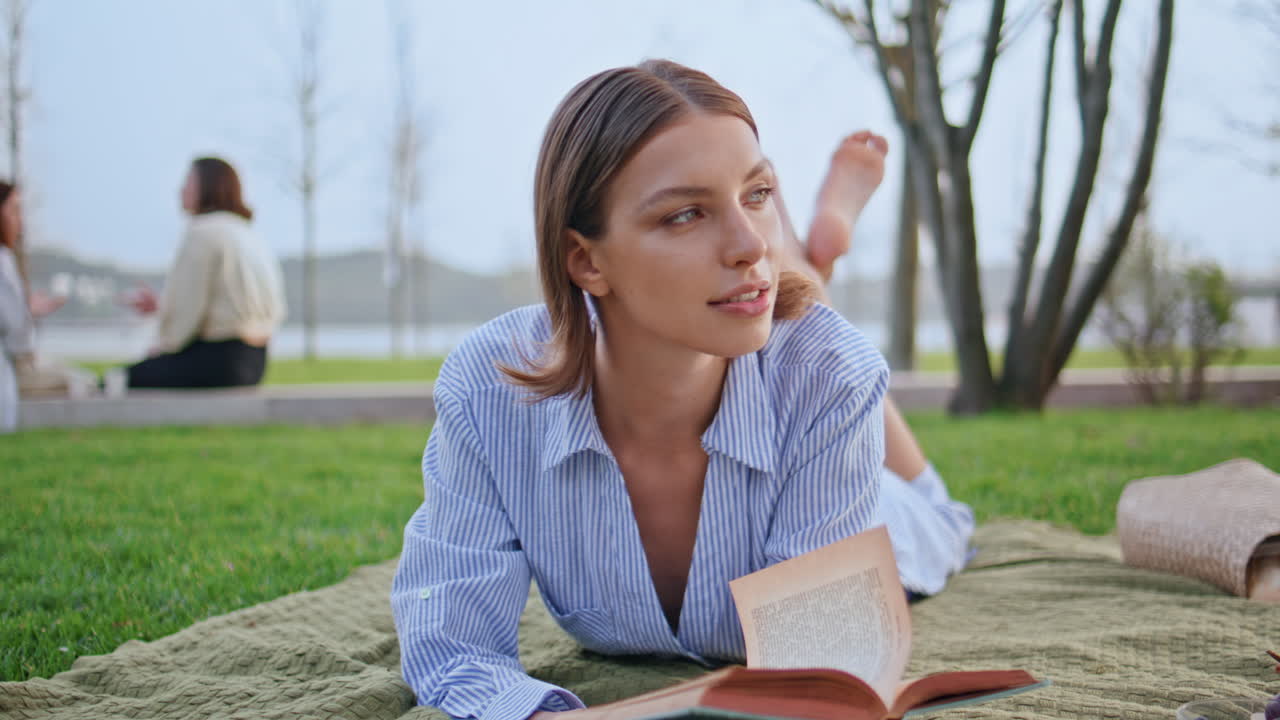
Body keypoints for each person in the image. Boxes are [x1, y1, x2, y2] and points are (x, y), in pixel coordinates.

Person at [391, 60, 972, 720]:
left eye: (758, 194)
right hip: (791, 359)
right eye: (687, 214)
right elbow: (451, 643)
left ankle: (810, 272)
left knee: (938, 511)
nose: (750, 244)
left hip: (865, 477)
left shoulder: (830, 376)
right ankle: (805, 274)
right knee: (809, 337)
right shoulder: (487, 391)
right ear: (587, 260)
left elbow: (822, 668)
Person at [119, 157, 286, 389]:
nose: (180, 190)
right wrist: (162, 308)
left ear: (208, 186)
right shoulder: (247, 233)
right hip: (255, 362)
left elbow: (188, 312)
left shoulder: (202, 232)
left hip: (216, 362)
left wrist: (163, 347)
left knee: (117, 380)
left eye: (188, 182)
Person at [0, 182, 95, 431]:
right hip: (6, 375)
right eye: (14, 210)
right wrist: (27, 314)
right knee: (84, 381)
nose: (19, 221)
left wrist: (26, 311)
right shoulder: (3, 263)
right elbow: (19, 340)